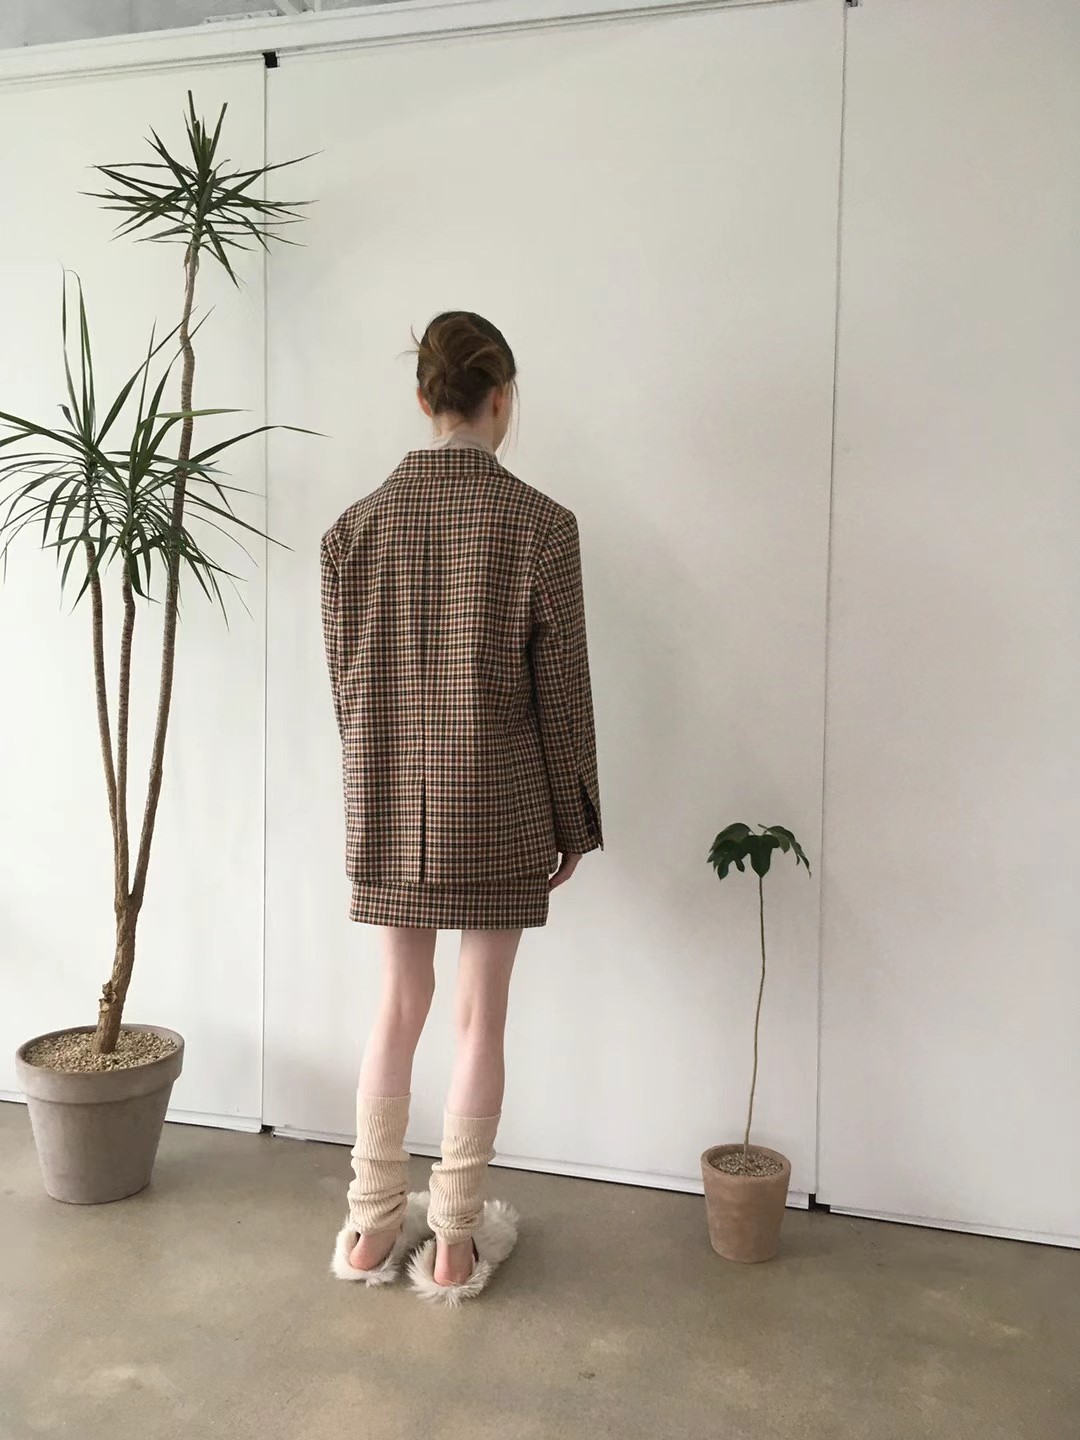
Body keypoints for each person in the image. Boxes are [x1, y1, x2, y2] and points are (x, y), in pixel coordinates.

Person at [320, 311, 602, 1305]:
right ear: (502, 398)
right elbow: (562, 694)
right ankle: (451, 1243)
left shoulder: (352, 531)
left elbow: (349, 692)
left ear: (423, 397)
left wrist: (377, 793)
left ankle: (369, 1227)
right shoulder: (542, 525)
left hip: (390, 803)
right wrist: (574, 820)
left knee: (397, 1005)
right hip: (501, 805)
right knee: (482, 1018)